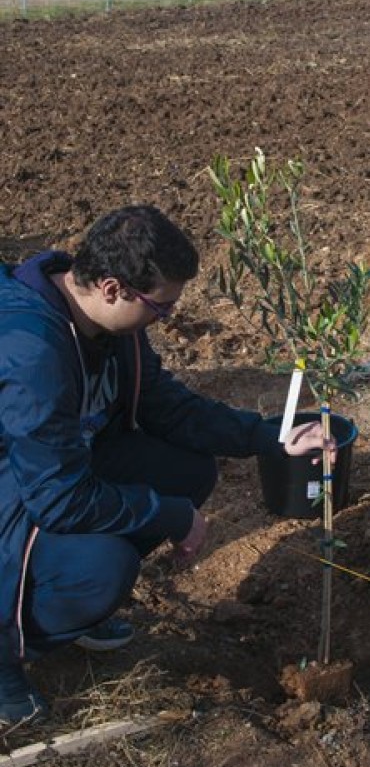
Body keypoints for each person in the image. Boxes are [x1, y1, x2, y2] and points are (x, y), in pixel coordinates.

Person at [0, 205, 333, 725]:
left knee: (188, 472)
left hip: (60, 470)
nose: (167, 319)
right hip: (17, 493)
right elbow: (56, 496)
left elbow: (169, 408)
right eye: (162, 309)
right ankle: (7, 649)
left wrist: (270, 437)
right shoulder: (34, 352)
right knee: (104, 570)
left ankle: (69, 610)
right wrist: (170, 516)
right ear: (113, 289)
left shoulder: (114, 328)